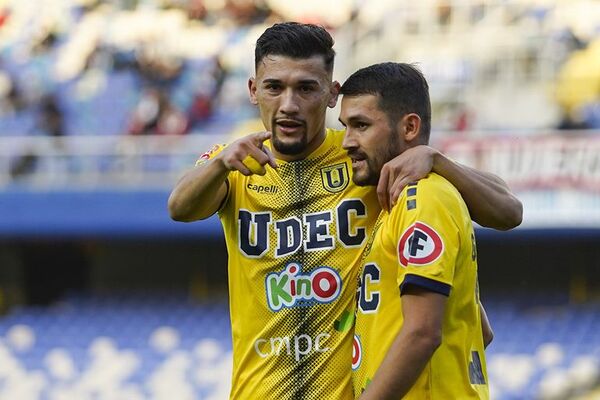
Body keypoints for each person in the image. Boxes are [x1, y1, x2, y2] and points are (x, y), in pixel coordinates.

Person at [168, 23, 521, 400]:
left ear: (332, 93)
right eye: (274, 87)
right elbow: (180, 208)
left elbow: (508, 211)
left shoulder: (363, 156)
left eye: (306, 88)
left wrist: (437, 160)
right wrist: (220, 163)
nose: (289, 104)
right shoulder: (236, 163)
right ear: (253, 90)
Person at [340, 62, 492, 399]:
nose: (347, 142)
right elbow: (480, 328)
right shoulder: (397, 204)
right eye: (345, 127)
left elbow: (422, 333)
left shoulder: (421, 197)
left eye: (361, 125)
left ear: (410, 127)